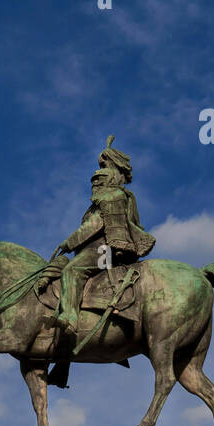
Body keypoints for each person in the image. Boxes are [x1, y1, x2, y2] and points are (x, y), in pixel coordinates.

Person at [52, 136, 156, 336]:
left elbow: (94, 225)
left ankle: (71, 317)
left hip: (103, 250)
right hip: (99, 249)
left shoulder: (111, 197)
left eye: (99, 180)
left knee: (72, 271)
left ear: (110, 179)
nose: (95, 184)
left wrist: (68, 242)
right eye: (94, 181)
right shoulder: (112, 198)